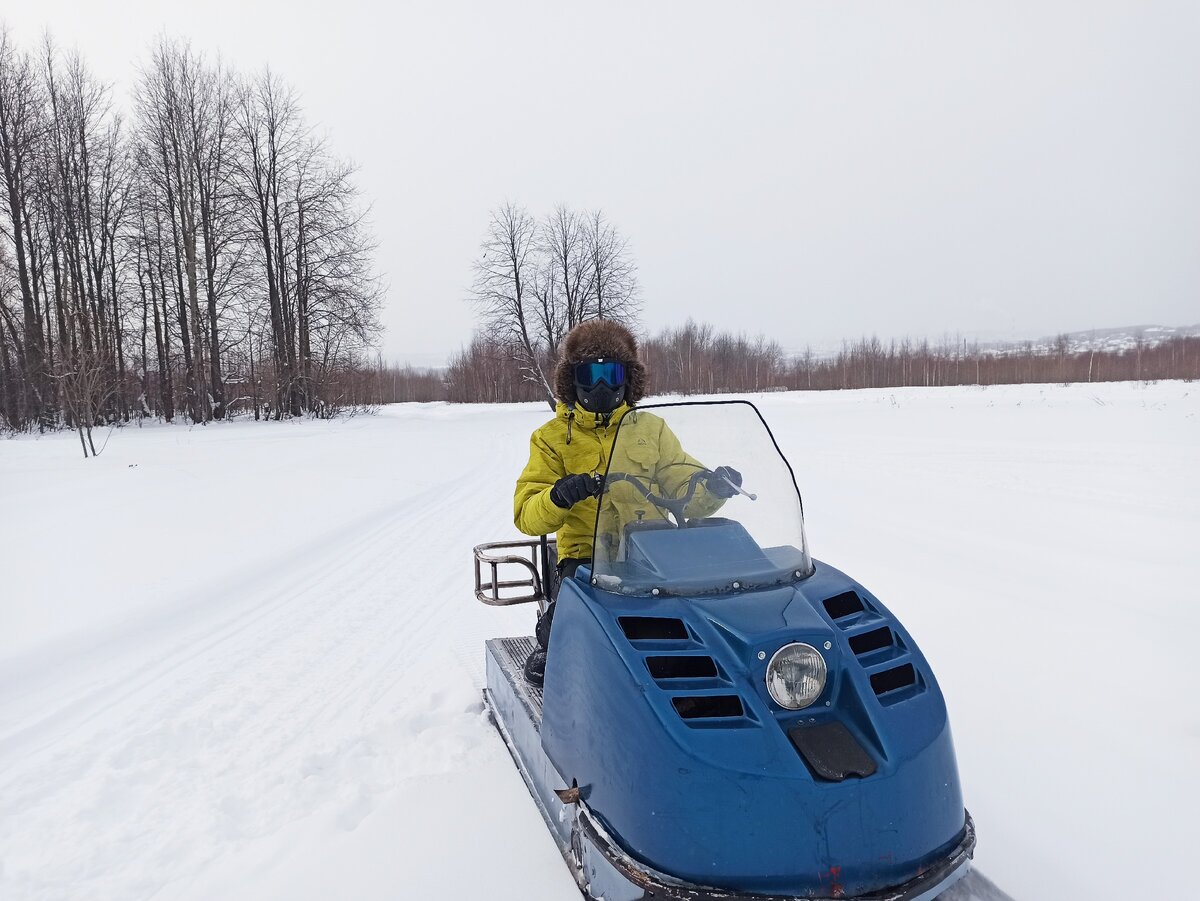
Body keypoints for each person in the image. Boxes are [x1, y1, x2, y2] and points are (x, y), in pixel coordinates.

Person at [513, 320, 740, 686]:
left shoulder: (652, 429)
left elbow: (683, 481)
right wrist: (559, 496)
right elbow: (526, 515)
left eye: (611, 372)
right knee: (569, 632)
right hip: (588, 558)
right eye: (592, 373)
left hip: (653, 550)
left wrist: (713, 486)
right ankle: (554, 641)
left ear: (627, 379)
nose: (601, 385)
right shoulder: (551, 438)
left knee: (695, 623)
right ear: (574, 379)